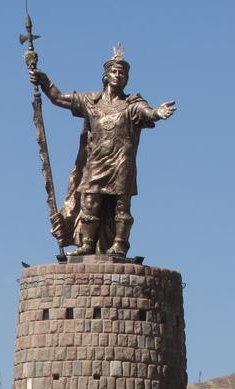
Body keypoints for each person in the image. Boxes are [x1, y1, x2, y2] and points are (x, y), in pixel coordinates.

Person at [31, 45, 175, 257]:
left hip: (121, 161)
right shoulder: (91, 101)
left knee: (121, 205)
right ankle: (87, 244)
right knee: (89, 201)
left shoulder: (131, 103)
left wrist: (157, 113)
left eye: (122, 73)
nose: (118, 75)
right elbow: (59, 98)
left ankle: (119, 244)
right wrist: (44, 82)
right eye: (114, 72)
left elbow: (147, 113)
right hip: (97, 161)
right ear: (106, 75)